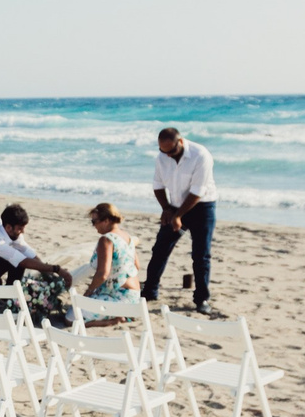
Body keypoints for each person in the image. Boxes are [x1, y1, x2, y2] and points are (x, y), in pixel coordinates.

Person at [141, 124, 218, 313]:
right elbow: (158, 185)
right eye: (163, 151)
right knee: (160, 248)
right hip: (175, 206)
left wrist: (178, 216)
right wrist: (167, 209)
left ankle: (202, 299)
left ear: (181, 142)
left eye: (172, 151)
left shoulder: (201, 155)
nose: (168, 155)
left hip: (202, 206)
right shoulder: (162, 157)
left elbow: (197, 191)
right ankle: (150, 291)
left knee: (201, 255)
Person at [0, 204, 74, 322]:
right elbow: (24, 261)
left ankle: (7, 300)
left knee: (17, 259)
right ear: (9, 227)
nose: (22, 232)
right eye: (20, 228)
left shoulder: (10, 232)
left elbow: (28, 253)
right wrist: (56, 269)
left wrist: (50, 276)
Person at [75, 202, 140, 302]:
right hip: (134, 296)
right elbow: (137, 266)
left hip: (117, 295)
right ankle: (117, 317)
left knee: (71, 315)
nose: (94, 225)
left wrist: (89, 290)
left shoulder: (106, 240)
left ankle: (115, 317)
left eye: (94, 221)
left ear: (106, 221)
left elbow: (103, 274)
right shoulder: (127, 236)